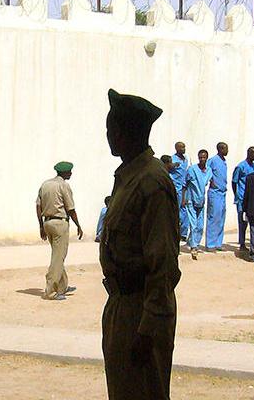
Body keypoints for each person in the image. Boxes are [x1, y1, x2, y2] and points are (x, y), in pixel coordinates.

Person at [100, 88, 179, 400]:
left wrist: (149, 326)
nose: (107, 135)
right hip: (122, 303)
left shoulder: (151, 181)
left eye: (111, 129)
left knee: (144, 392)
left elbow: (164, 263)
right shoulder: (129, 176)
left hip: (142, 309)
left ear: (123, 133)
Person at [36, 161, 83, 300]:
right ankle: (50, 291)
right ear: (65, 173)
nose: (71, 173)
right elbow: (70, 208)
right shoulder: (64, 185)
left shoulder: (45, 185)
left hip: (47, 223)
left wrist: (41, 226)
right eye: (70, 171)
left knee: (57, 254)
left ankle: (62, 286)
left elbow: (38, 207)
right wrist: (78, 225)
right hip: (60, 223)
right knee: (58, 257)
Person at [184, 149, 212, 259]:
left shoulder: (209, 171)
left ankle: (193, 242)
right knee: (194, 224)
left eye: (204, 157)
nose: (202, 159)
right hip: (191, 200)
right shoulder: (192, 169)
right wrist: (184, 199)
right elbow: (185, 184)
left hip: (201, 200)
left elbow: (210, 183)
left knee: (200, 226)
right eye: (200, 157)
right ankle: (194, 247)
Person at [232, 147, 254, 251]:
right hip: (242, 198)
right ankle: (242, 243)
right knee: (242, 221)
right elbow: (234, 181)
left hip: (251, 198)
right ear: (249, 154)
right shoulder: (240, 166)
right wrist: (237, 195)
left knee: (250, 221)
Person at [205, 142, 228, 251]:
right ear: (219, 149)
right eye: (225, 149)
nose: (227, 151)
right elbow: (206, 170)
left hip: (223, 193)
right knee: (213, 217)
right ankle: (210, 244)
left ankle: (218, 243)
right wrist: (211, 180)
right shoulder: (213, 160)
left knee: (221, 218)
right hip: (215, 193)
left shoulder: (224, 161)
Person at [169, 142, 192, 243]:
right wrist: (172, 165)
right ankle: (174, 233)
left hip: (185, 188)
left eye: (184, 147)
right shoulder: (172, 159)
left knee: (185, 210)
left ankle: (183, 233)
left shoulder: (186, 159)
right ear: (176, 148)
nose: (184, 149)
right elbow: (167, 168)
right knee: (175, 211)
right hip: (176, 188)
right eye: (181, 147)